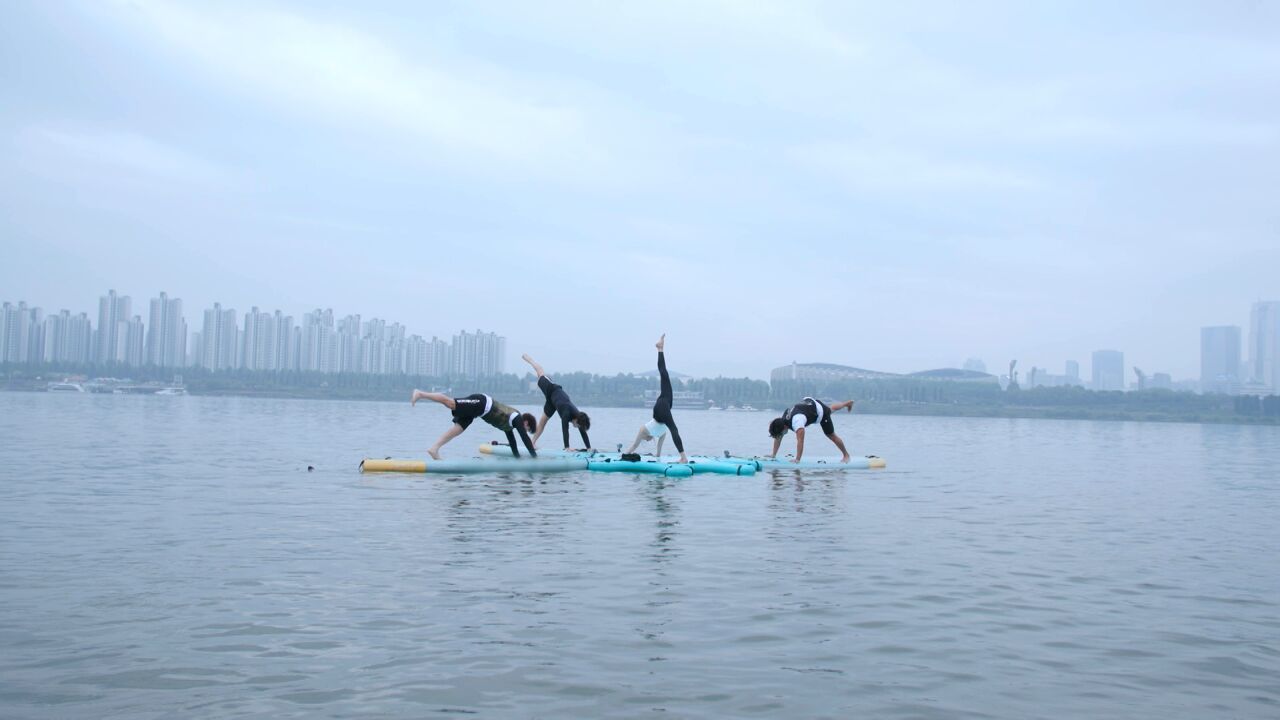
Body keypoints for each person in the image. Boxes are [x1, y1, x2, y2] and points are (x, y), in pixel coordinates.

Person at [411, 390, 537, 460]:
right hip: (481, 403)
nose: (525, 430)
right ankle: (421, 394)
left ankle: (434, 449)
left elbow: (513, 442)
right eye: (528, 429)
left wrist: (517, 458)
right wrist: (535, 459)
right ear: (526, 423)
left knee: (458, 429)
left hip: (478, 412)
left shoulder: (509, 425)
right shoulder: (516, 417)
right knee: (451, 403)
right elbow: (524, 438)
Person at [626, 334, 688, 463]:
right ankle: (683, 457)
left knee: (664, 373)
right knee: (664, 373)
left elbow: (634, 446)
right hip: (663, 405)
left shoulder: (647, 431)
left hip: (662, 405)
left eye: (647, 440)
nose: (648, 441)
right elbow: (658, 451)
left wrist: (624, 455)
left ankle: (660, 349)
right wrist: (657, 455)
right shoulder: (660, 432)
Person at [520, 353, 592, 451]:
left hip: (553, 403)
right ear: (576, 420)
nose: (578, 427)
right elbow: (565, 429)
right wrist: (567, 447)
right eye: (578, 426)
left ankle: (531, 443)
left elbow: (583, 431)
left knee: (542, 422)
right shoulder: (566, 413)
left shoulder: (579, 417)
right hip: (551, 389)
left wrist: (589, 448)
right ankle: (530, 360)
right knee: (540, 373)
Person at [767, 397, 855, 463]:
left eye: (780, 434)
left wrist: (797, 459)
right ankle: (847, 403)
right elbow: (778, 437)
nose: (779, 436)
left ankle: (846, 456)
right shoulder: (782, 420)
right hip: (809, 402)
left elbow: (800, 441)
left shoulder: (797, 422)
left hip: (820, 412)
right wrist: (773, 455)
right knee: (830, 409)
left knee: (831, 435)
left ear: (784, 427)